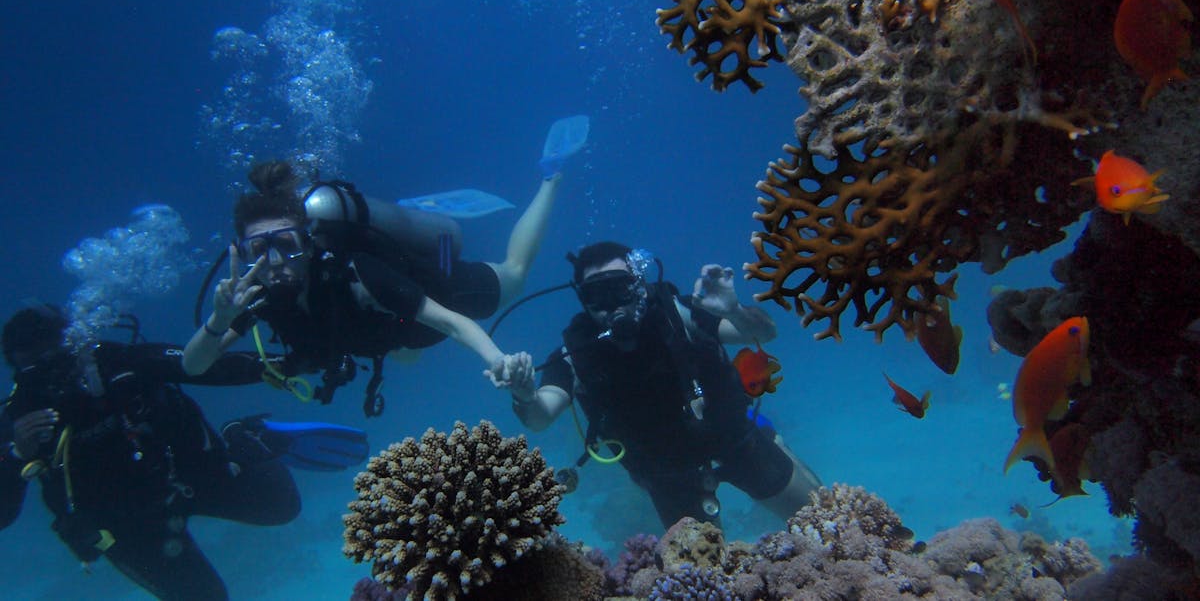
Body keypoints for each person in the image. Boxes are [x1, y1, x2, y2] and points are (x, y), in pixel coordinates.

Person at [182, 161, 548, 411]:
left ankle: (551, 178)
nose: (274, 263)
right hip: (392, 334)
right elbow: (193, 366)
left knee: (515, 273)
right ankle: (408, 218)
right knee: (405, 354)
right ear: (242, 254)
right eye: (259, 250)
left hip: (437, 293)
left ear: (308, 244)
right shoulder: (253, 298)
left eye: (287, 245)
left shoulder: (359, 272)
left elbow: (452, 322)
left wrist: (498, 360)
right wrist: (219, 321)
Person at [0, 305, 304, 601]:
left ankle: (241, 436)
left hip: (188, 478)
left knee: (282, 506)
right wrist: (17, 454)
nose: (51, 373)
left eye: (55, 355)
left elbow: (199, 365)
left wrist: (289, 364)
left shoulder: (118, 363)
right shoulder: (15, 418)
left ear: (74, 343)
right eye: (33, 366)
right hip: (127, 528)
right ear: (16, 369)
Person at [510, 242, 822, 529]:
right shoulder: (575, 354)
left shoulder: (677, 314)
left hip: (734, 439)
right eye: (597, 294)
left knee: (821, 520)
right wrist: (525, 395)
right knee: (699, 579)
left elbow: (763, 333)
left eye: (620, 289)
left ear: (639, 286)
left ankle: (769, 436)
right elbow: (541, 415)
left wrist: (734, 311)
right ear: (582, 299)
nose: (612, 305)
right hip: (666, 474)